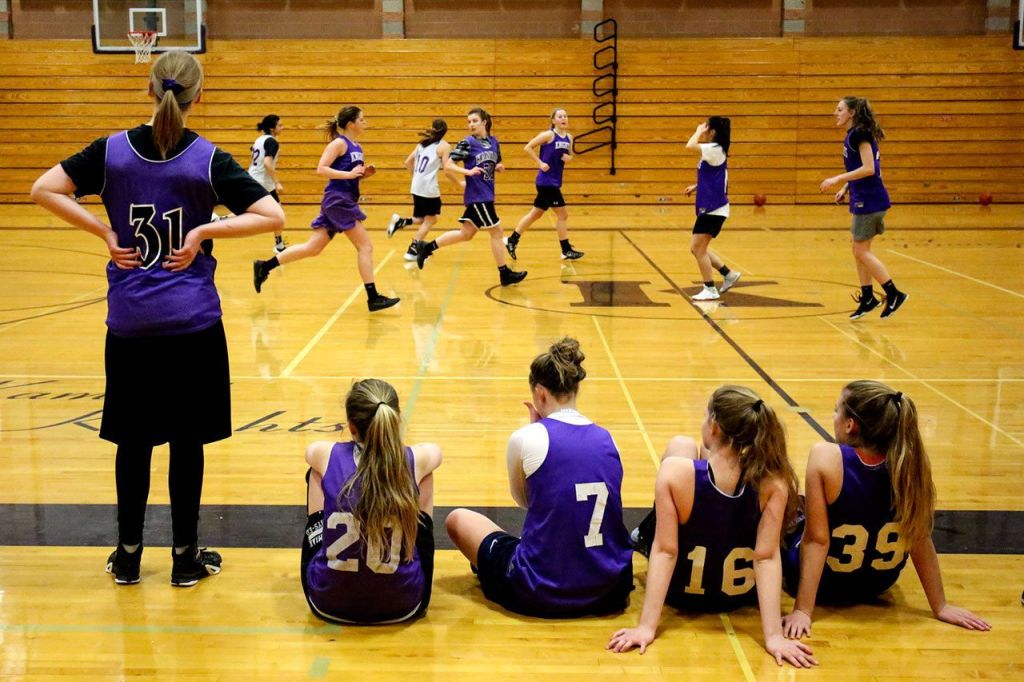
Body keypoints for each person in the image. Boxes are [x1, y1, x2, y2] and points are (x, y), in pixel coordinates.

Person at [29, 51, 285, 587]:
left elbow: (43, 189)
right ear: (199, 97)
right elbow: (272, 215)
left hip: (130, 323)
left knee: (134, 441)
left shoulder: (112, 152)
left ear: (150, 89)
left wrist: (103, 231)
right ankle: (185, 558)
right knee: (186, 442)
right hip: (191, 323)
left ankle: (126, 556)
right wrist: (202, 233)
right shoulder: (208, 158)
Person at [607, 386, 817, 668]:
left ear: (714, 427)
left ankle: (644, 532)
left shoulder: (674, 473)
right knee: (697, 464)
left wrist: (646, 627)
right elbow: (766, 557)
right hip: (738, 596)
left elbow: (666, 551)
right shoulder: (774, 482)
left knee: (681, 446)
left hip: (681, 593)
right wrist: (774, 637)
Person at [781, 380, 990, 637]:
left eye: (837, 410)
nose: (833, 416)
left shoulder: (825, 456)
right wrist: (941, 605)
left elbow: (817, 539)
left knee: (786, 508)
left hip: (826, 583)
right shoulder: (910, 465)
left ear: (850, 425)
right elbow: (920, 537)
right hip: (878, 583)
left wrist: (803, 610)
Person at [445, 338, 632, 616]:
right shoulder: (609, 439)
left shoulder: (526, 437)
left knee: (458, 520)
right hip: (610, 590)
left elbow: (527, 503)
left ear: (540, 394)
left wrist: (534, 431)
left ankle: (492, 567)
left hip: (540, 590)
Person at [302, 379, 442, 623]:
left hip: (327, 603)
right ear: (395, 421)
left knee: (316, 473)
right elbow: (435, 453)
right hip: (403, 605)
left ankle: (322, 547)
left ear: (351, 426)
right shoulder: (413, 459)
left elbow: (310, 452)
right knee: (424, 475)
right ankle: (411, 563)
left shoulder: (328, 454)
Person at [253, 106, 399, 312]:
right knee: (365, 247)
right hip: (338, 200)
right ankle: (373, 297)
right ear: (351, 124)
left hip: (342, 199)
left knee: (313, 248)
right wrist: (349, 175)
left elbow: (347, 171)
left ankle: (264, 266)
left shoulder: (356, 146)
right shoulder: (339, 143)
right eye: (362, 119)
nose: (365, 122)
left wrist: (363, 174)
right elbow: (321, 169)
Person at [414, 108, 527, 287]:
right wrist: (467, 171)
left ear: (484, 122)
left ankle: (426, 248)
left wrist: (498, 166)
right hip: (478, 196)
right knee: (497, 232)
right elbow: (449, 166)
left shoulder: (494, 142)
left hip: (487, 194)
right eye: (469, 122)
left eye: (474, 121)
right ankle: (504, 273)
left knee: (465, 234)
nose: (471, 125)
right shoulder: (467, 142)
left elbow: (494, 161)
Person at [819, 97, 908, 320]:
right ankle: (868, 298)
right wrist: (847, 187)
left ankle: (893, 293)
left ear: (851, 113)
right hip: (863, 197)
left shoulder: (860, 134)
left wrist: (837, 179)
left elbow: (869, 168)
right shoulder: (855, 134)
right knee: (859, 249)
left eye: (839, 109)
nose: (835, 113)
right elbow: (865, 167)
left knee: (861, 251)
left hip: (870, 200)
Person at [504, 108, 583, 262]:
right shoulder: (548, 135)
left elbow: (570, 155)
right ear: (553, 120)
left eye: (565, 116)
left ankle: (512, 240)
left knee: (535, 214)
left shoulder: (569, 137)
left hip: (555, 181)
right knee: (563, 214)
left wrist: (569, 158)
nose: (563, 118)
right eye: (560, 116)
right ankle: (565, 250)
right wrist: (540, 163)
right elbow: (527, 147)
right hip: (546, 182)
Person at [683, 117, 740, 301]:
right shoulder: (716, 151)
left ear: (712, 131)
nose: (704, 131)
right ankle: (728, 274)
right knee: (698, 248)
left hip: (714, 208)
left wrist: (698, 131)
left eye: (707, 128)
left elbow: (690, 145)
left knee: (698, 249)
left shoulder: (714, 148)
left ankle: (710, 288)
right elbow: (717, 176)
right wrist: (697, 186)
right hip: (713, 207)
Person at [386, 119, 456, 262]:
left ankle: (401, 222)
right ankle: (413, 249)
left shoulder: (422, 143)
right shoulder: (444, 146)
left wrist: (416, 177)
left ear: (432, 129)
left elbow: (407, 162)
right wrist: (459, 181)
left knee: (423, 218)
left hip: (416, 185)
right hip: (429, 188)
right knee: (430, 220)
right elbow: (447, 169)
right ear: (444, 132)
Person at [249, 114, 287, 253]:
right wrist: (277, 182)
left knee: (278, 212)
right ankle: (218, 220)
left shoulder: (259, 139)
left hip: (257, 180)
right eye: (280, 125)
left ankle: (279, 245)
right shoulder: (271, 142)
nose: (282, 128)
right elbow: (266, 163)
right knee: (249, 212)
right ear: (272, 128)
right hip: (262, 182)